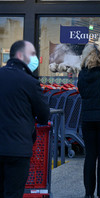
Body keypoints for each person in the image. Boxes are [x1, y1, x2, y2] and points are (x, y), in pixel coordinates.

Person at [0, 40, 50, 198]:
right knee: (13, 192)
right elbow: (43, 115)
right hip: (18, 148)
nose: (35, 58)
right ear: (20, 55)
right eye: (33, 54)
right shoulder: (29, 82)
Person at [77, 43, 100, 198]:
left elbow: (82, 93)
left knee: (90, 156)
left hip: (88, 119)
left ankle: (88, 193)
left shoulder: (83, 74)